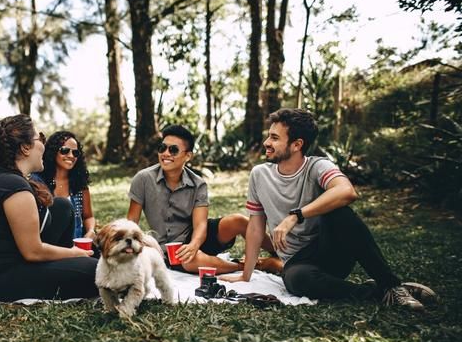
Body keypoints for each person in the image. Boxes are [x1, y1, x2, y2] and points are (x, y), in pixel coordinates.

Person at [221, 108, 436, 311]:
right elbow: (256, 228)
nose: (267, 142)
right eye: (269, 136)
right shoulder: (259, 175)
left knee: (340, 211)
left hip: (331, 251)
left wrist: (296, 215)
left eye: (275, 138)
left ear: (297, 144)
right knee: (296, 280)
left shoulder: (318, 166)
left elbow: (347, 191)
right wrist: (245, 275)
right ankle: (379, 291)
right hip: (298, 263)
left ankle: (391, 284)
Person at [0, 115, 98, 301]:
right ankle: (75, 263)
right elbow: (33, 251)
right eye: (40, 137)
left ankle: (72, 263)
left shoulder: (7, 177)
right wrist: (75, 253)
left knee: (62, 206)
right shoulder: (12, 186)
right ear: (25, 148)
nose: (44, 144)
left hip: (11, 261)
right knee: (99, 272)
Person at [127, 124, 281, 274]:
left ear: (188, 155)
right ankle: (255, 265)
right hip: (168, 250)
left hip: (197, 236)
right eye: (162, 148)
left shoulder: (198, 184)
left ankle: (281, 254)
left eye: (173, 150)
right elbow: (131, 222)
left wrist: (194, 245)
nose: (165, 153)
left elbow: (200, 225)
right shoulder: (143, 179)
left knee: (238, 220)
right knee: (191, 260)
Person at [36, 131, 96, 239]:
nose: (71, 156)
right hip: (49, 246)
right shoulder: (38, 182)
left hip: (76, 244)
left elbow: (88, 216)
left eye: (75, 153)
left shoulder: (79, 183)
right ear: (53, 151)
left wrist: (91, 231)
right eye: (65, 151)